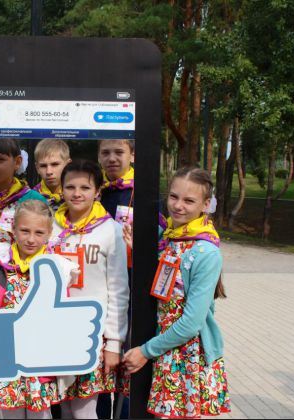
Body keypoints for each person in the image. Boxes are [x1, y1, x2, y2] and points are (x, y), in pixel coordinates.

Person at [123, 167, 231, 418]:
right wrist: (138, 253)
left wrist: (145, 351)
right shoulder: (166, 236)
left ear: (206, 204)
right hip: (158, 345)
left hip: (184, 354)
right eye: (173, 196)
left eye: (189, 200)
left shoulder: (206, 252)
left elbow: (192, 323)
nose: (178, 206)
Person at [0, 200, 78, 419]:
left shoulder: (55, 267)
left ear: (49, 233)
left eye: (39, 232)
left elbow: (61, 314)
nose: (31, 239)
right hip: (7, 355)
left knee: (40, 414)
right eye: (24, 231)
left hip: (38, 359)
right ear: (13, 228)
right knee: (10, 414)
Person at [49, 159, 129, 419]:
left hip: (92, 335)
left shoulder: (111, 231)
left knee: (84, 409)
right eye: (70, 187)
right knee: (63, 407)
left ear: (97, 191)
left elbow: (118, 290)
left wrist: (114, 342)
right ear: (61, 189)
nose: (77, 193)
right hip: (54, 330)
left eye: (85, 187)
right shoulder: (50, 227)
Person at [96, 139, 135, 418]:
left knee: (126, 367)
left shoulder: (142, 193)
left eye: (119, 152)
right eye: (105, 152)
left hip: (130, 291)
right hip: (98, 291)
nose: (112, 158)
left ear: (132, 155)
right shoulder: (93, 189)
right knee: (99, 369)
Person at [33, 139, 72, 211]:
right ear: (37, 168)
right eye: (43, 166)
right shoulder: (30, 198)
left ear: (68, 165)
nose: (49, 172)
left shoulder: (77, 197)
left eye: (55, 164)